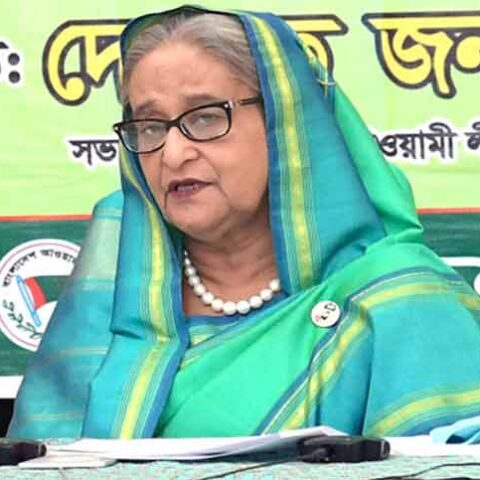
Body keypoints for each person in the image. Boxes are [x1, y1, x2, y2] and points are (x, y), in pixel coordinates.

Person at [8, 5, 480, 440]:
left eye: (205, 118)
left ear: (288, 121)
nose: (172, 154)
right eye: (150, 127)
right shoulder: (107, 302)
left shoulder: (397, 304)